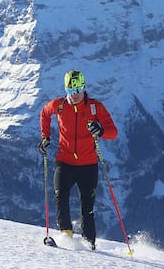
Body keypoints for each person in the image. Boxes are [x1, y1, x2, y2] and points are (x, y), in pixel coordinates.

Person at [37, 69, 118, 250]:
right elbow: (44, 114)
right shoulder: (58, 105)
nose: (74, 95)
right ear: (66, 90)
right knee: (61, 198)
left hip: (88, 166)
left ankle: (89, 245)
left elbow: (113, 132)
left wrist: (100, 131)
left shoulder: (95, 108)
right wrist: (45, 137)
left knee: (87, 210)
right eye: (70, 91)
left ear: (84, 87)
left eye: (78, 90)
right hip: (64, 162)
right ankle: (66, 236)